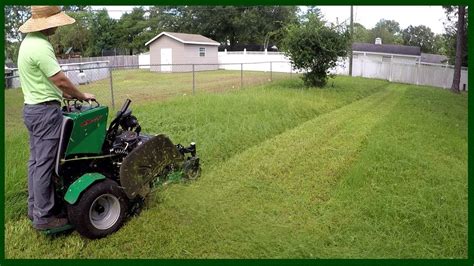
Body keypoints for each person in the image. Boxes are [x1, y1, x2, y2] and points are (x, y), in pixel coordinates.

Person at [18, 6, 95, 230]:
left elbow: (46, 83)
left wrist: (65, 96)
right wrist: (80, 95)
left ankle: (35, 209)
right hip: (44, 113)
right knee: (45, 165)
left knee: (35, 163)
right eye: (57, 21)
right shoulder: (41, 46)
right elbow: (59, 80)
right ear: (48, 22)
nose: (59, 26)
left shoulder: (27, 43)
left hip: (32, 109)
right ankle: (44, 217)